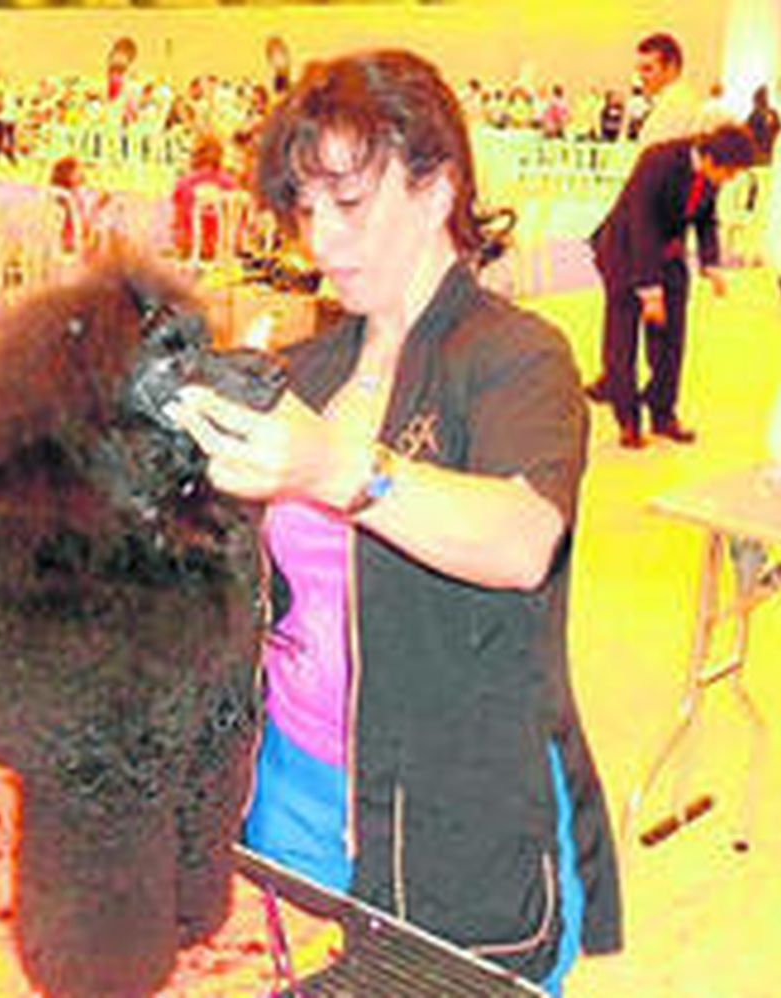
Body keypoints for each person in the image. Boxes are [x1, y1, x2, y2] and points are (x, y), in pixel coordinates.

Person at [166, 50, 620, 994]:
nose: (319, 240)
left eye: (350, 204)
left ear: (437, 184)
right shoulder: (310, 367)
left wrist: (341, 469)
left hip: (460, 820)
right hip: (290, 795)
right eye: (303, 208)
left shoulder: (514, 357)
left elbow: (520, 540)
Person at [588, 124, 756, 447]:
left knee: (671, 339)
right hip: (625, 252)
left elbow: (706, 218)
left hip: (668, 254)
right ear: (710, 159)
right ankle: (629, 421)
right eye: (730, 173)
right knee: (622, 342)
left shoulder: (712, 173)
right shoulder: (657, 161)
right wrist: (650, 291)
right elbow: (642, 225)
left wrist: (711, 264)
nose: (730, 180)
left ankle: (663, 415)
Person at [170, 133, 241, 261]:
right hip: (223, 252)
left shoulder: (183, 184)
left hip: (190, 249)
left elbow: (177, 223)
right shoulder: (231, 184)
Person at [632, 32, 703, 147]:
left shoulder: (678, 104)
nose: (640, 76)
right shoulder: (668, 99)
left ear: (671, 68)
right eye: (638, 70)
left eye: (647, 69)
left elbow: (655, 154)